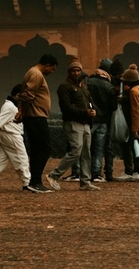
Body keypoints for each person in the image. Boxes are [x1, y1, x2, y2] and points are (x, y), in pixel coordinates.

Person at [51, 59, 98, 189]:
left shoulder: (83, 86)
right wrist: (85, 112)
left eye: (78, 70)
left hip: (85, 123)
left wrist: (92, 110)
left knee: (86, 153)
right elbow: (67, 107)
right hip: (73, 122)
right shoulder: (65, 87)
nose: (76, 73)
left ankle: (85, 182)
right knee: (76, 151)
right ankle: (54, 175)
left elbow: (89, 101)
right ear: (69, 72)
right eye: (74, 70)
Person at [20, 53, 59, 191]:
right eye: (52, 69)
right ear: (47, 65)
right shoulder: (36, 74)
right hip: (36, 116)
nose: (52, 72)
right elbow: (28, 95)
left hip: (34, 116)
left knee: (37, 149)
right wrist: (22, 111)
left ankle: (33, 181)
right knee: (43, 148)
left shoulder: (32, 72)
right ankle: (35, 181)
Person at [85, 58, 119, 183]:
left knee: (85, 146)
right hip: (103, 120)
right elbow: (113, 106)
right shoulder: (109, 86)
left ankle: (82, 172)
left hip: (90, 118)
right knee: (99, 148)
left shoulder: (88, 82)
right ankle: (96, 173)